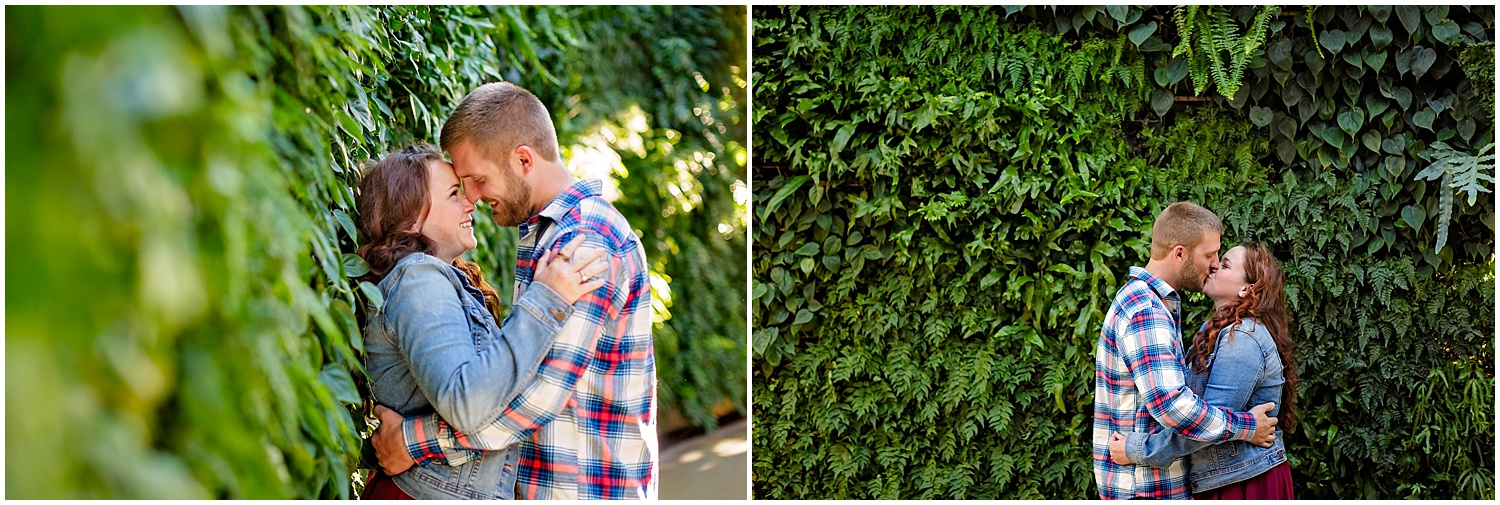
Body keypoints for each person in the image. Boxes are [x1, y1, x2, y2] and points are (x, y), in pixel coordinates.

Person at [370, 82, 658, 499]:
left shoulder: (584, 241)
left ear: (523, 159)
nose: (472, 197)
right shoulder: (545, 236)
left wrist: (411, 442)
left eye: (476, 179)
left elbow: (535, 396)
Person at [353, 143, 609, 499]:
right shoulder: (417, 280)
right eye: (455, 193)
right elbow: (467, 402)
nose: (471, 202)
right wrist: (547, 299)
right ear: (411, 218)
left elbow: (494, 388)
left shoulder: (437, 280)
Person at [1092, 201, 1279, 500]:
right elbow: (1174, 407)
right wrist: (1247, 426)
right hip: (1145, 489)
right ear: (1180, 253)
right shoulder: (1146, 311)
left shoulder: (1155, 304)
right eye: (1209, 255)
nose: (1215, 264)